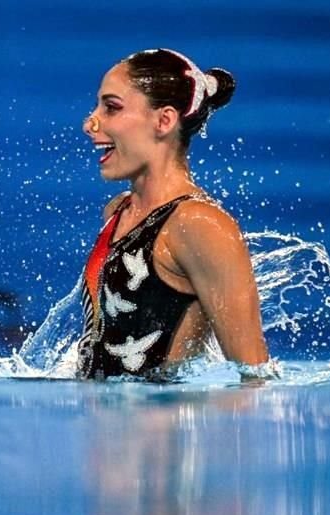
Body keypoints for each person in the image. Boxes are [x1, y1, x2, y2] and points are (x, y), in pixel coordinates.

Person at [77, 48, 269, 379]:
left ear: (164, 120)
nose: (89, 123)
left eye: (111, 108)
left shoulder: (199, 225)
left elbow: (254, 377)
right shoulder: (119, 211)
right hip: (102, 425)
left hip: (161, 427)